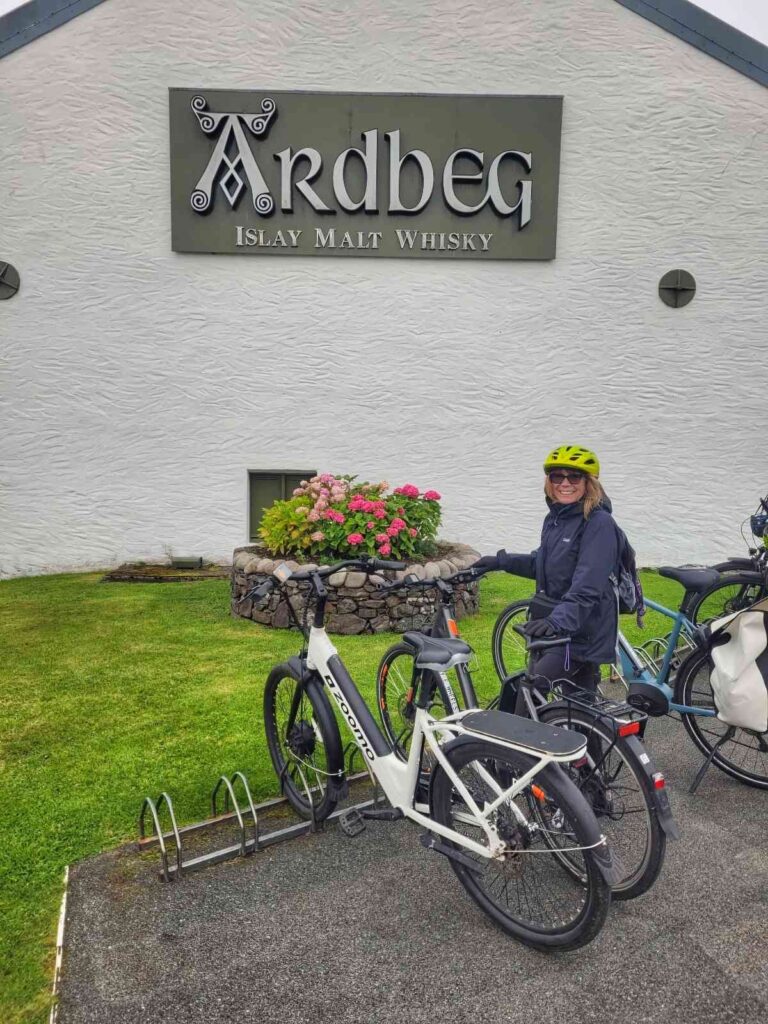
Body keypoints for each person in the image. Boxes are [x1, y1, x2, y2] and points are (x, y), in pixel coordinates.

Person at [473, 445, 621, 695]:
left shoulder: (599, 524)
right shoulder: (556, 519)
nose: (565, 483)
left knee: (529, 695)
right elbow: (545, 564)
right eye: (557, 476)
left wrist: (556, 622)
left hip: (578, 635)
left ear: (588, 483)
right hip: (557, 628)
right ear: (548, 481)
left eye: (574, 476)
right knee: (578, 710)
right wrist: (502, 562)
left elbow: (587, 587)